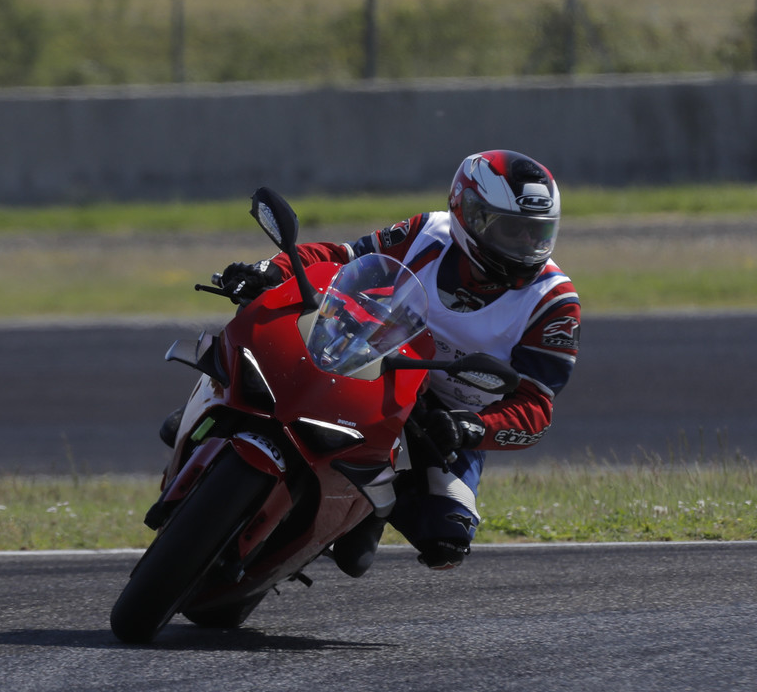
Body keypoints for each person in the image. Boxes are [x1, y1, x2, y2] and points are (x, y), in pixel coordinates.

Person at [214, 149, 580, 576]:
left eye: (538, 233)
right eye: (512, 231)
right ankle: (214, 405)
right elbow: (343, 258)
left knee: (445, 540)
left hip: (442, 421)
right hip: (373, 358)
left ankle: (351, 517)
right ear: (470, 215)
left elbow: (536, 408)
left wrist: (471, 427)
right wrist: (271, 270)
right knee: (262, 340)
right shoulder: (428, 233)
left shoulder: (553, 303)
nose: (526, 246)